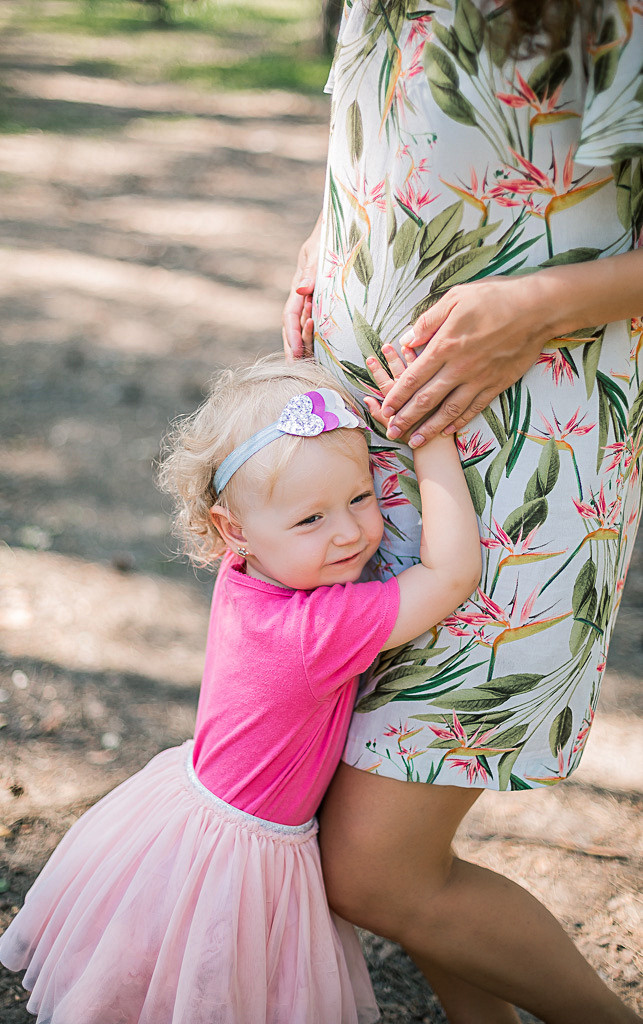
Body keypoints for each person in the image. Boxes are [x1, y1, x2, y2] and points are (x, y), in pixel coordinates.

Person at [282, 1, 643, 1022]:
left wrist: (534, 308)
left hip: (519, 474)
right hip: (358, 452)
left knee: (372, 867)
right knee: (368, 826)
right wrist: (326, 230)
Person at [0, 356, 481, 1024]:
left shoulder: (248, 572)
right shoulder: (318, 630)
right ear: (234, 530)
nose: (347, 532)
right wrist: (430, 440)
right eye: (311, 519)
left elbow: (276, 489)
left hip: (186, 818)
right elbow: (450, 574)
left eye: (361, 497)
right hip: (238, 856)